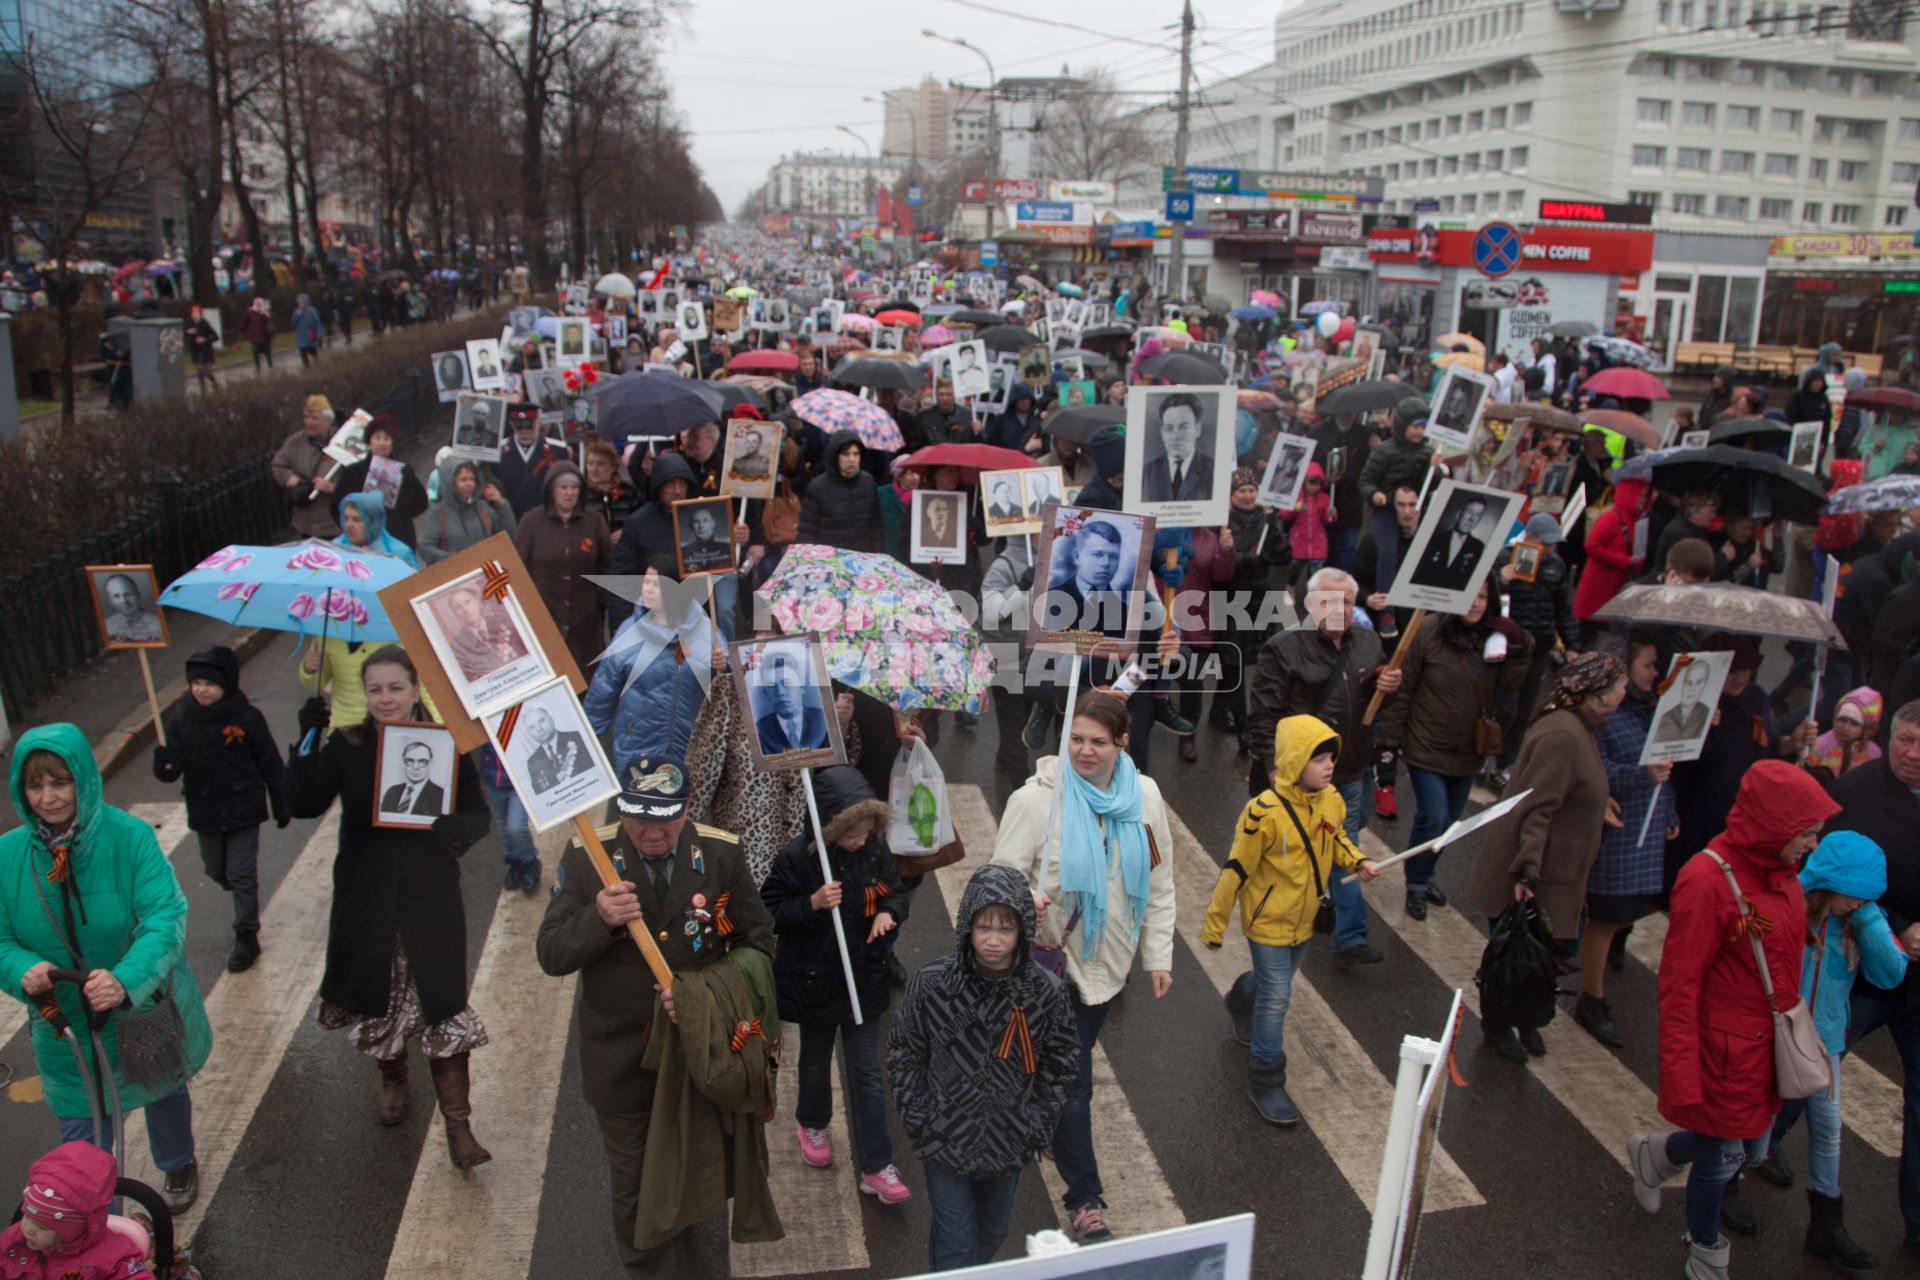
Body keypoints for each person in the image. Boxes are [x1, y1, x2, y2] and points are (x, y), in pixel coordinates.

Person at [536, 757, 778, 1278]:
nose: (651, 830)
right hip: (620, 1059)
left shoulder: (720, 854)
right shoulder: (587, 859)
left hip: (696, 1053)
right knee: (632, 1186)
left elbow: (756, 944)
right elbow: (551, 954)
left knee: (687, 1166)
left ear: (688, 806)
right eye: (637, 815)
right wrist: (596, 918)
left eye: (665, 816)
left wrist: (704, 996)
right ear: (619, 808)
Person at [1628, 762, 1840, 1280]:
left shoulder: (1781, 871)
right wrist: (1682, 1073)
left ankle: (1657, 1154)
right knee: (1722, 1158)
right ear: (1775, 826)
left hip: (1763, 1047)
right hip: (1722, 1053)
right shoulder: (1705, 879)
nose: (1812, 845)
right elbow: (1679, 986)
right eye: (1807, 834)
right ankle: (1704, 1249)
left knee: (1745, 1147)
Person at [286, 646, 492, 1161]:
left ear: (415, 688)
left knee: (442, 1006)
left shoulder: (445, 744)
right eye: (375, 689)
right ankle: (393, 1077)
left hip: (431, 901)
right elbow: (302, 802)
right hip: (368, 897)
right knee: (383, 999)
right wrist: (307, 742)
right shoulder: (347, 744)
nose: (385, 699)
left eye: (395, 688)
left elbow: (478, 815)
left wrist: (457, 831)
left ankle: (459, 1127)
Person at [1, 725, 213, 1213]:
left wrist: (125, 980)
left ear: (83, 779)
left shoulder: (130, 837)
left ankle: (178, 1161)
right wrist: (21, 968)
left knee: (162, 1092)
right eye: (36, 786)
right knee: (81, 1127)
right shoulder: (7, 855)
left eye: (61, 782)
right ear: (20, 789)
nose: (49, 798)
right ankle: (98, 1218)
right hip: (64, 1021)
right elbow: (0, 938)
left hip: (139, 1008)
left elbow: (163, 917)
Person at [991, 691, 1175, 1242]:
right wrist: (1027, 899)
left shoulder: (1144, 797)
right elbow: (998, 881)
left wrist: (1157, 955)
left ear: (1123, 742)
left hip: (1110, 964)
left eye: (1098, 742)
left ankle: (1024, 1112)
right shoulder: (1036, 802)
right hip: (1052, 965)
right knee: (1074, 1084)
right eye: (1076, 739)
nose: (1084, 752)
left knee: (1050, 1071)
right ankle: (1085, 1198)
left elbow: (1160, 879)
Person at [886, 863, 1078, 1271]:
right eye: (983, 928)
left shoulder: (1045, 991)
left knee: (992, 1233)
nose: (993, 941)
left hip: (1008, 1143)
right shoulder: (933, 985)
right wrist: (921, 1120)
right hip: (944, 1143)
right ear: (966, 927)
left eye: (1005, 929)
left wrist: (1035, 1126)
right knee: (953, 1244)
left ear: (1022, 930)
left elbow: (1060, 1065)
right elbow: (904, 1053)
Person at [1204, 715, 1380, 1123]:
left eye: (1331, 757)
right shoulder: (1262, 812)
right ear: (1294, 760)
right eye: (1318, 758)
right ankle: (1265, 1080)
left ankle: (1239, 999)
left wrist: (1359, 860)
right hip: (1267, 923)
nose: (1329, 765)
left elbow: (1336, 839)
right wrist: (1215, 924)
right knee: (1278, 997)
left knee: (1270, 986)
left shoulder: (1332, 800)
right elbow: (1235, 869)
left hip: (1307, 917)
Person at [1753, 831, 1907, 1268]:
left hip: (1826, 1044)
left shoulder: (1858, 920)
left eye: (1867, 897)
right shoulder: (1788, 907)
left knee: (1828, 1132)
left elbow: (1891, 975)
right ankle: (1718, 1177)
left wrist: (1869, 919)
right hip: (1777, 1036)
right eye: (1853, 895)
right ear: (1829, 882)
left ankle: (1827, 1226)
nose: (1859, 903)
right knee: (1757, 1123)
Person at [760, 767, 913, 1202]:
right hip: (815, 981)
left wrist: (890, 912)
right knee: (814, 1062)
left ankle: (876, 1165)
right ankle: (812, 1121)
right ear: (830, 827)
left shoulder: (875, 850)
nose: (861, 841)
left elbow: (895, 892)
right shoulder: (796, 859)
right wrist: (810, 904)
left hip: (863, 977)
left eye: (868, 831)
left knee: (866, 1073)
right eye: (852, 834)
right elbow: (770, 911)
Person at [1467, 652, 1626, 1063]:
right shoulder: (1564, 735)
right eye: (1621, 684)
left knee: (1542, 957)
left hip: (1558, 869)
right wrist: (1526, 873)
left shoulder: (1578, 727)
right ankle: (1498, 1025)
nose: (1626, 692)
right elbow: (1536, 808)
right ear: (1599, 692)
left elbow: (1573, 788)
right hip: (1539, 872)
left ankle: (1526, 1019)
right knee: (1517, 959)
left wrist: (1597, 803)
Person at [1247, 568, 1400, 963]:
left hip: (1351, 767)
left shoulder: (1368, 644)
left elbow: (1375, 697)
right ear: (1312, 604)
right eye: (1329, 602)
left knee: (1350, 825)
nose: (1339, 609)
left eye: (1347, 602)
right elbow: (1263, 714)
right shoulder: (1283, 649)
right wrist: (1274, 767)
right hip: (1304, 776)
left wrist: (1388, 686)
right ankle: (1351, 937)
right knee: (1341, 842)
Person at [1380, 577, 1531, 919]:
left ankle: (1426, 871)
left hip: (1468, 750)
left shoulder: (1495, 638)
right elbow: (1404, 689)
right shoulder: (1428, 630)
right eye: (1469, 596)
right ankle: (1417, 883)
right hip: (1426, 744)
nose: (1476, 604)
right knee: (1432, 817)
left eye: (1482, 597)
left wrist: (1519, 646)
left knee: (1449, 823)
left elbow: (1510, 685)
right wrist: (1389, 745)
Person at [152, 645, 287, 974]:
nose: (201, 689)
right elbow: (172, 769)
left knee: (241, 873)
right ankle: (238, 891)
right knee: (216, 869)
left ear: (226, 684)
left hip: (243, 806)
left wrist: (283, 800)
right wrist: (164, 764)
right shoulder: (182, 719)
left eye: (209, 683)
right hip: (205, 808)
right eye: (195, 682)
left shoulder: (248, 718)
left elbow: (270, 761)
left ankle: (246, 935)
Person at [1580, 635, 1680, 1049]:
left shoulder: (1652, 712)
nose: (1655, 673)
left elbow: (1667, 765)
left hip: (1647, 829)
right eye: (1648, 665)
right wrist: (1643, 776)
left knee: (1625, 913)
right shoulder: (1602, 719)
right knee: (1605, 917)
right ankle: (1591, 998)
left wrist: (1669, 811)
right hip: (1619, 832)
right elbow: (1597, 772)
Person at [584, 558, 714, 782]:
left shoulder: (704, 629)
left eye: (656, 584)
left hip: (688, 748)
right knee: (636, 812)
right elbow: (603, 690)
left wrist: (722, 666)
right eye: (646, 582)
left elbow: (726, 684)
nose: (648, 589)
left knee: (680, 814)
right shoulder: (629, 631)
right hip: (636, 747)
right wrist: (587, 740)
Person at [514, 462, 611, 675]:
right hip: (545, 617)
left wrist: (599, 601)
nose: (569, 493)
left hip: (585, 620)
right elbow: (518, 568)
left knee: (587, 679)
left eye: (574, 488)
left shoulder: (594, 520)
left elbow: (605, 564)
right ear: (551, 490)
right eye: (563, 487)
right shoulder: (531, 522)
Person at [0, 1142, 151, 1277]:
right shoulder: (15, 1239)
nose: (27, 1229)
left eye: (42, 1227)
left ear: (71, 1232)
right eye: (27, 1217)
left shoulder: (111, 1256)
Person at [332, 416, 429, 552]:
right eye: (377, 438)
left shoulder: (404, 471)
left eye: (387, 439)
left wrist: (398, 513)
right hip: (364, 543)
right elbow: (336, 505)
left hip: (398, 538)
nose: (382, 443)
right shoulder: (354, 471)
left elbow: (421, 503)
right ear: (369, 441)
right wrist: (352, 527)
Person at [416, 456, 517, 564]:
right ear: (451, 483)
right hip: (457, 575)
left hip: (488, 570)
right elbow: (424, 547)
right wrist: (450, 558)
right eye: (463, 479)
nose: (469, 483)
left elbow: (508, 536)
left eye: (472, 479)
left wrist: (501, 504)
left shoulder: (482, 507)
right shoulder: (437, 513)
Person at [271, 394, 344, 540]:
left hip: (334, 523)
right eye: (306, 417)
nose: (308, 422)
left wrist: (332, 487)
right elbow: (278, 464)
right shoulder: (295, 441)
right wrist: (288, 478)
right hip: (304, 523)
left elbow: (356, 478)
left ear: (327, 420)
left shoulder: (343, 443)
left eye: (314, 418)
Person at [797, 431, 881, 553]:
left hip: (861, 559)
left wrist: (877, 555)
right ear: (835, 456)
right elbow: (807, 531)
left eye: (856, 454)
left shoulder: (868, 481)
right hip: (829, 560)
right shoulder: (817, 487)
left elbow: (876, 525)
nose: (851, 459)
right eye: (846, 454)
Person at [1357, 397, 1433, 510]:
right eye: (1415, 427)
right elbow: (1366, 481)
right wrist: (1374, 494)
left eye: (1423, 427)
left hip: (1417, 508)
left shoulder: (1428, 452)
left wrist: (1434, 469)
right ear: (1403, 425)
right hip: (1388, 507)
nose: (1420, 432)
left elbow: (1431, 484)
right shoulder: (1384, 450)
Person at [495, 405, 568, 518]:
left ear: (538, 422)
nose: (524, 431)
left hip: (546, 520)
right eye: (519, 426)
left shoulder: (558, 451)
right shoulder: (497, 452)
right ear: (512, 424)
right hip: (510, 521)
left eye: (529, 426)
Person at [1140, 392, 1213, 503]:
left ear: (1197, 429)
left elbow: (1243, 477)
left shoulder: (1214, 470)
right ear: (1162, 432)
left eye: (1184, 428)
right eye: (1169, 428)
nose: (1176, 436)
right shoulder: (1146, 473)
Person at [751, 645, 827, 754]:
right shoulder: (759, 730)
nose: (780, 692)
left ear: (801, 686)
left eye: (786, 683)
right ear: (766, 694)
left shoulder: (823, 720)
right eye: (771, 686)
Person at [1802, 686, 1883, 785]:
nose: (1846, 727)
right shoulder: (1820, 744)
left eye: (1854, 723)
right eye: (1842, 719)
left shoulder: (1873, 753)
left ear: (1866, 729)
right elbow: (1802, 774)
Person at [1413, 493, 1489, 593]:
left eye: (1478, 515)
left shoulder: (1478, 547)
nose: (1472, 519)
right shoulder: (1434, 539)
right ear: (1459, 514)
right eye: (1470, 512)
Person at [336, 489, 418, 568]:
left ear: (373, 523)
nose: (348, 525)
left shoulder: (399, 553)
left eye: (356, 520)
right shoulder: (335, 549)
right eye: (346, 518)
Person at [97, 572, 163, 644]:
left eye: (128, 594)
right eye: (116, 596)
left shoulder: (158, 623)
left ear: (138, 595)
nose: (124, 601)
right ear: (110, 600)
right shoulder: (106, 625)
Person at [187, 305, 219, 391]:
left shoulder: (205, 324)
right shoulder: (189, 324)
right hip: (196, 351)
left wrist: (205, 339)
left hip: (206, 350)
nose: (195, 315)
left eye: (197, 313)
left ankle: (214, 382)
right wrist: (189, 333)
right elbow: (184, 335)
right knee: (200, 371)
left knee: (207, 371)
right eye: (193, 313)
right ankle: (203, 391)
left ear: (200, 314)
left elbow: (215, 337)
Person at [242, 295, 273, 371]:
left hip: (265, 336)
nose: (258, 306)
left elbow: (267, 321)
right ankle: (257, 367)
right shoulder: (250, 312)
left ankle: (270, 364)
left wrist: (262, 313)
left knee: (266, 351)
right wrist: (242, 331)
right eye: (257, 304)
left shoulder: (265, 312)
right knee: (255, 351)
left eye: (260, 304)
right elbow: (245, 322)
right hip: (254, 336)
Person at [293, 292, 323, 367]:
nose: (300, 303)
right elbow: (293, 322)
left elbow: (317, 323)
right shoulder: (297, 311)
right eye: (298, 302)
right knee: (304, 356)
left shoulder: (312, 310)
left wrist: (319, 334)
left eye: (301, 301)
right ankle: (307, 368)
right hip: (301, 337)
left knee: (314, 355)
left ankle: (317, 367)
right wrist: (298, 314)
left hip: (310, 337)